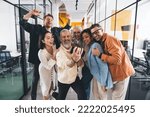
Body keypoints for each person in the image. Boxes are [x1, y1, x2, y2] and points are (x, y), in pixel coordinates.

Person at [19, 9, 70, 100]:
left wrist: (68, 19)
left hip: (53, 57)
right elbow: (23, 23)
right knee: (36, 78)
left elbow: (66, 28)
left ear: (53, 21)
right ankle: (33, 98)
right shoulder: (37, 28)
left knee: (53, 77)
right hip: (39, 58)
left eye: (51, 19)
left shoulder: (55, 30)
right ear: (44, 21)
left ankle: (51, 94)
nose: (49, 21)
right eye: (47, 19)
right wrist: (30, 13)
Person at [90, 24, 135, 100]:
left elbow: (117, 59)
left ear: (102, 30)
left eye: (97, 31)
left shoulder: (110, 39)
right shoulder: (102, 41)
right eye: (93, 33)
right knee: (113, 96)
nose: (95, 35)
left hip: (122, 74)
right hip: (115, 75)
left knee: (117, 99)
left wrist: (100, 55)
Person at [54, 29, 87, 100]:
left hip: (74, 78)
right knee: (60, 99)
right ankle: (56, 95)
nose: (66, 38)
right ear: (60, 38)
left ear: (71, 37)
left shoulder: (76, 48)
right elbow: (68, 65)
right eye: (64, 37)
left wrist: (79, 59)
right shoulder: (58, 52)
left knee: (83, 96)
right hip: (63, 80)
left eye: (68, 36)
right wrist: (74, 59)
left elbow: (80, 64)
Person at [81, 28, 113, 100]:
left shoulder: (95, 46)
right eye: (83, 38)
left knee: (101, 97)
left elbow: (103, 66)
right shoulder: (90, 46)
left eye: (86, 37)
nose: (85, 39)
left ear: (91, 37)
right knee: (96, 94)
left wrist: (103, 82)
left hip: (101, 77)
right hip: (96, 76)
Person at [38, 31, 56, 100]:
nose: (51, 39)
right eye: (48, 38)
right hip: (44, 70)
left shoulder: (54, 46)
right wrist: (54, 56)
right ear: (43, 41)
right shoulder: (41, 52)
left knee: (52, 85)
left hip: (53, 70)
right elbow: (48, 66)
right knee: (46, 89)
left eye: (52, 37)